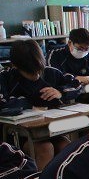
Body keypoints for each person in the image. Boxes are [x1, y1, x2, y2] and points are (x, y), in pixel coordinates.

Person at [0, 40, 82, 169]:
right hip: (17, 135)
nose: (36, 75)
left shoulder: (50, 72)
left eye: (38, 70)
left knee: (66, 146)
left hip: (47, 130)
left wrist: (61, 92)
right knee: (45, 148)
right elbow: (3, 103)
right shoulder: (5, 78)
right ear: (15, 65)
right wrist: (28, 103)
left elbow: (76, 85)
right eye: (30, 73)